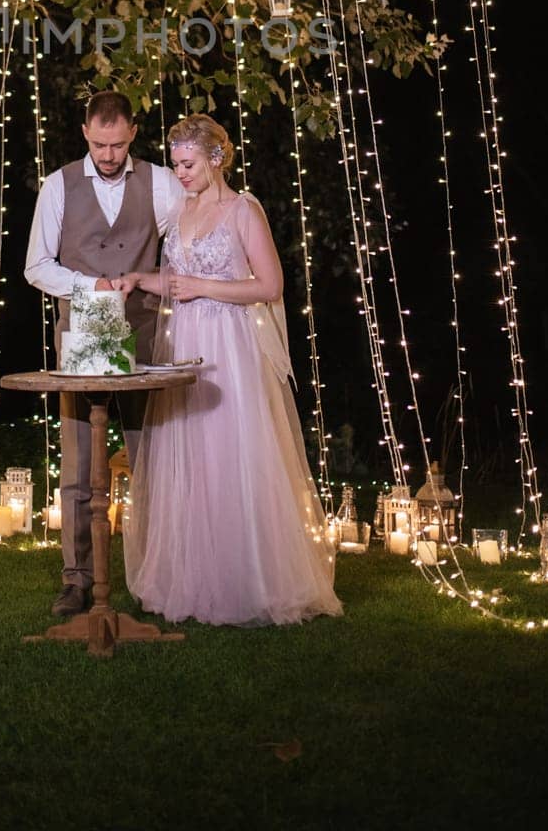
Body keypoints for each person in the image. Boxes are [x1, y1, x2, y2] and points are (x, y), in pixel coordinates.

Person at [116, 115, 341, 627]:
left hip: (228, 348)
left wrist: (204, 288)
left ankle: (249, 581)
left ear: (216, 159)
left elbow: (269, 287)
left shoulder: (243, 211)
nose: (181, 175)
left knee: (231, 452)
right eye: (175, 165)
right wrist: (138, 279)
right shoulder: (182, 213)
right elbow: (177, 279)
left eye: (188, 164)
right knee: (187, 451)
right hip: (186, 342)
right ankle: (190, 578)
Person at [24, 91, 184, 617]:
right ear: (85, 133)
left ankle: (158, 574)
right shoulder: (59, 185)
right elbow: (37, 265)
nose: (108, 155)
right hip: (82, 337)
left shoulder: (162, 183)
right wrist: (89, 285)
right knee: (78, 462)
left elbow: (186, 245)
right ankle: (77, 577)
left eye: (116, 145)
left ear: (133, 132)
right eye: (98, 144)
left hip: (144, 333)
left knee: (152, 458)